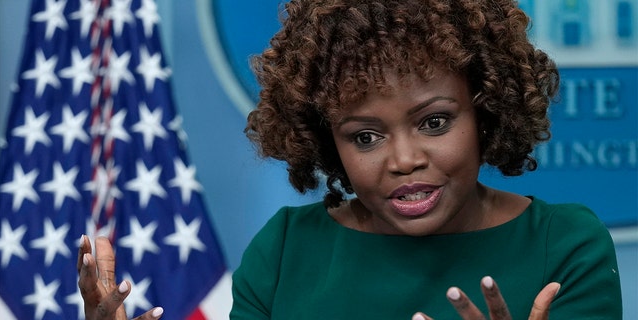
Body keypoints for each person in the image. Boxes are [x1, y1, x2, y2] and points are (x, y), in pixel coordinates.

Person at [77, 0, 623, 319]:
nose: (404, 160)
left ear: (485, 109)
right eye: (365, 137)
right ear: (324, 140)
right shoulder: (287, 251)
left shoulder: (567, 247)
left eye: (434, 122)